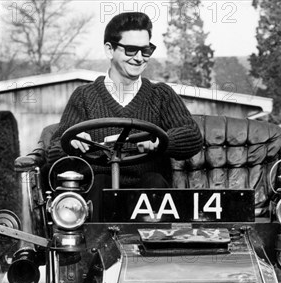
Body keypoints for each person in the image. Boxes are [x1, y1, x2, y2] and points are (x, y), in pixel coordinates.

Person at [47, 12, 203, 202]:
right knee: (97, 184)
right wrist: (72, 143)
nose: (139, 58)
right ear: (109, 50)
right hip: (98, 192)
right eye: (130, 50)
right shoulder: (84, 96)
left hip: (149, 192)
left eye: (146, 51)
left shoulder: (161, 95)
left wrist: (161, 141)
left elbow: (193, 136)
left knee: (153, 182)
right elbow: (54, 152)